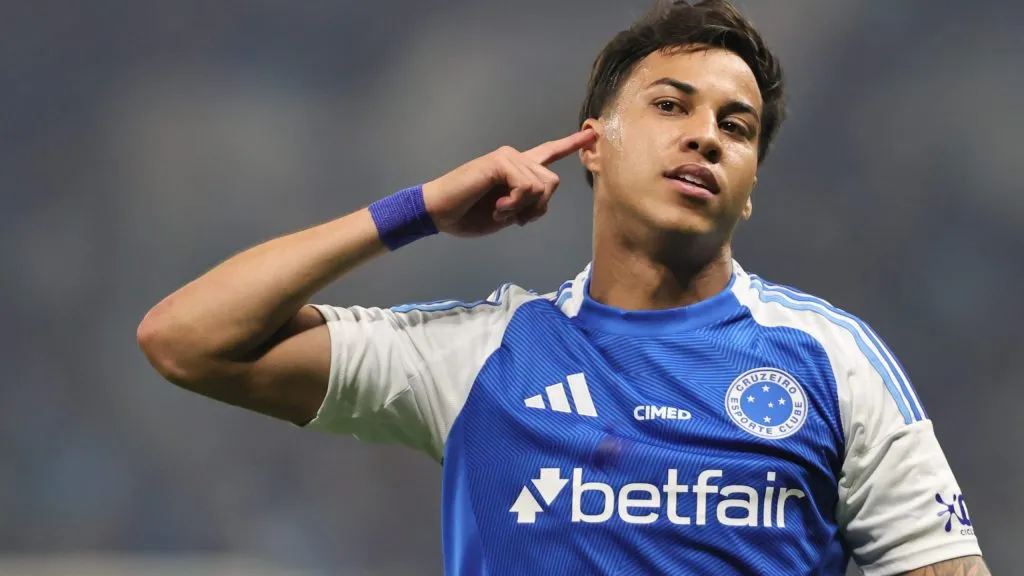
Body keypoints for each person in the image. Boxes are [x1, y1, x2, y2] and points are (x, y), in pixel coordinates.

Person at [137, 0, 988, 574]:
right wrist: (418, 209)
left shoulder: (830, 358)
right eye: (670, 106)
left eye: (737, 127)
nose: (705, 138)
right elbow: (185, 338)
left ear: (752, 181)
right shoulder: (481, 357)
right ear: (592, 145)